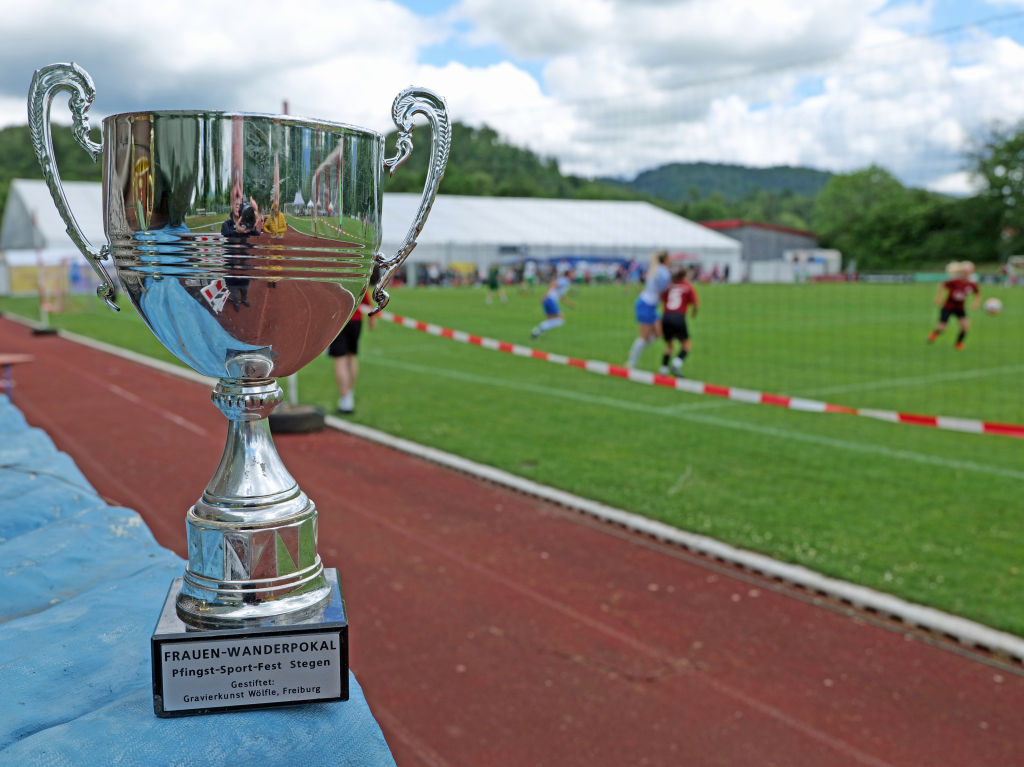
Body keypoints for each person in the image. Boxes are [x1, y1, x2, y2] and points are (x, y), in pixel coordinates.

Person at [330, 268, 379, 414]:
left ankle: (345, 400)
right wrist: (372, 315)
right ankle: (348, 397)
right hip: (356, 319)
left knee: (340, 359)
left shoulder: (336, 273)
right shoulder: (357, 271)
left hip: (340, 318)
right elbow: (364, 294)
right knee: (351, 356)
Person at [626, 250, 671, 368]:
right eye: (670, 258)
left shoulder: (657, 268)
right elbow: (662, 292)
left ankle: (635, 351)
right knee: (644, 336)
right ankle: (631, 362)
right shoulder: (664, 272)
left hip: (650, 305)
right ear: (666, 259)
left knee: (658, 333)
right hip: (646, 304)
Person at [928, 261, 981, 350]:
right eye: (965, 272)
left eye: (969, 272)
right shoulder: (955, 281)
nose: (966, 274)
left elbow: (978, 293)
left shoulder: (972, 284)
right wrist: (939, 297)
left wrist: (976, 303)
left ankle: (958, 343)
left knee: (965, 327)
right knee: (942, 328)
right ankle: (934, 333)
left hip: (960, 308)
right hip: (948, 307)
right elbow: (941, 285)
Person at [659, 266, 699, 376]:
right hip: (678, 317)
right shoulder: (688, 286)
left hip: (666, 317)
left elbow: (662, 298)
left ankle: (663, 370)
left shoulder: (670, 286)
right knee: (686, 345)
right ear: (685, 276)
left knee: (669, 346)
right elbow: (695, 305)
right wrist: (693, 314)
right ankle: (676, 365)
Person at [531, 267, 576, 338]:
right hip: (550, 300)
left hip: (548, 300)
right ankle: (537, 330)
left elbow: (561, 296)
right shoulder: (564, 280)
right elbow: (553, 284)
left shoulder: (566, 282)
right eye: (572, 273)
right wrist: (544, 296)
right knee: (561, 320)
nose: (574, 275)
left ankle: (540, 333)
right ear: (568, 274)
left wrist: (570, 304)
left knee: (550, 319)